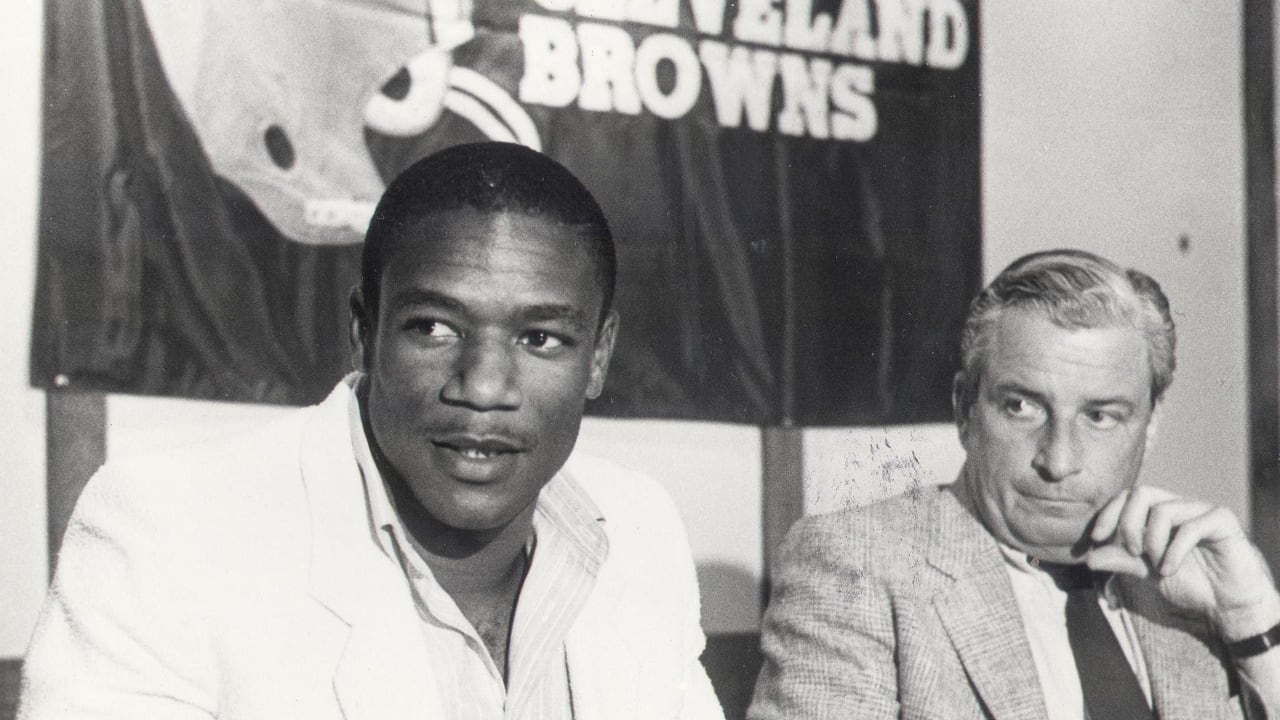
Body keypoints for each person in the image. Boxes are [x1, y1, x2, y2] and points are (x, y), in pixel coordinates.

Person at [19, 142, 725, 720]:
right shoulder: (170, 534)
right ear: (365, 333)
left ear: (598, 356)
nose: (482, 385)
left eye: (540, 338)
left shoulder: (637, 527)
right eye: (434, 327)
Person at [749, 249, 1280, 718]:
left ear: (1151, 424)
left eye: (1100, 416)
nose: (1058, 460)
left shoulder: (1184, 591)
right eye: (1022, 407)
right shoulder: (858, 566)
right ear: (964, 410)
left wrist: (1252, 618)